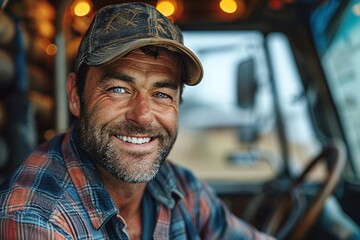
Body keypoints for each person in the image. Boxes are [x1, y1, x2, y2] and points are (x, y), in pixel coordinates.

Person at [0, 2, 275, 239]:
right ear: (75, 95)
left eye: (161, 93)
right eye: (118, 89)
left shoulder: (179, 186)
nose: (142, 116)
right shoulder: (36, 217)